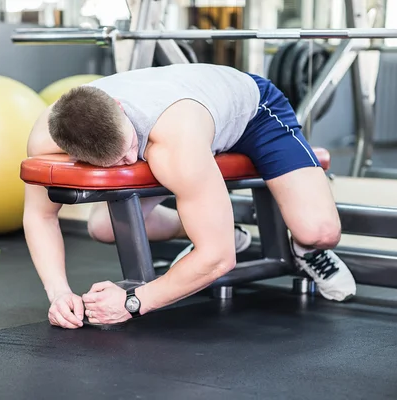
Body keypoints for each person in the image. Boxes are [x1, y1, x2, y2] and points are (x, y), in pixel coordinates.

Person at [23, 63, 356, 330]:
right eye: (114, 163)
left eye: (127, 149)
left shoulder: (175, 141)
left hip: (254, 113)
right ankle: (221, 230)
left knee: (319, 232)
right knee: (105, 228)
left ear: (119, 108)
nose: (128, 162)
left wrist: (132, 303)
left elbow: (218, 258)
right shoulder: (48, 136)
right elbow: (40, 215)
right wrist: (59, 293)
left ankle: (305, 252)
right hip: (185, 127)